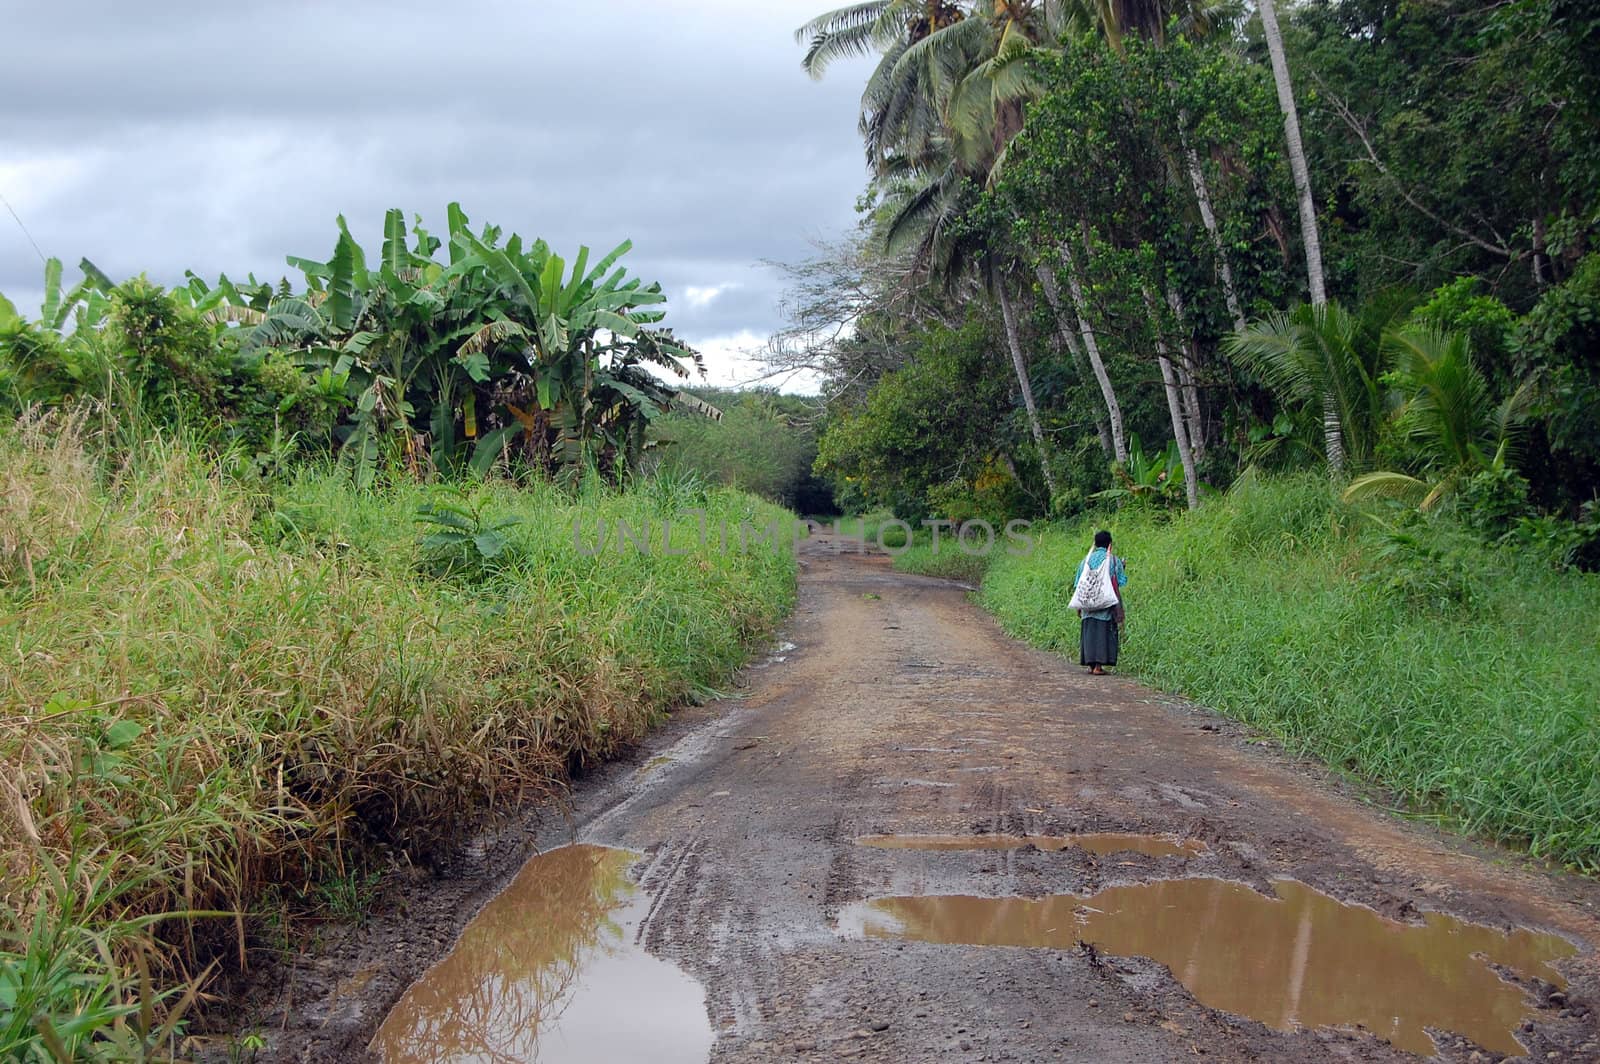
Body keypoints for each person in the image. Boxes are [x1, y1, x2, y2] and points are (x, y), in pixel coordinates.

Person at [1073, 529, 1126, 675]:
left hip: (1087, 604)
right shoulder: (1113, 560)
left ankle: (1091, 666)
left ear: (1095, 544)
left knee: (1089, 632)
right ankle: (1098, 666)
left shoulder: (1086, 560)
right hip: (1105, 604)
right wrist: (1123, 566)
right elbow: (1121, 580)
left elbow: (1078, 583)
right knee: (1103, 632)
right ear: (1110, 544)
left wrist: (1078, 606)